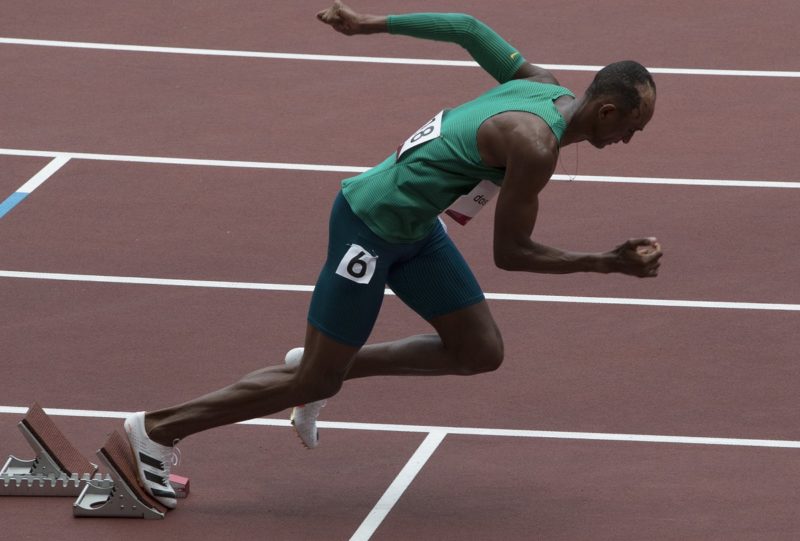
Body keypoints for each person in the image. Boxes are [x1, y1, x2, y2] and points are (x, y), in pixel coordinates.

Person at [124, 1, 662, 508]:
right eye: (632, 131)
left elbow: (467, 27)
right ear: (608, 111)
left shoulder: (540, 86)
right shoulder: (536, 145)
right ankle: (154, 430)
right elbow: (511, 253)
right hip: (368, 227)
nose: (629, 141)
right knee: (315, 380)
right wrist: (605, 261)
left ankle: (323, 367)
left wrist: (367, 24)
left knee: (478, 350)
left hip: (415, 229)